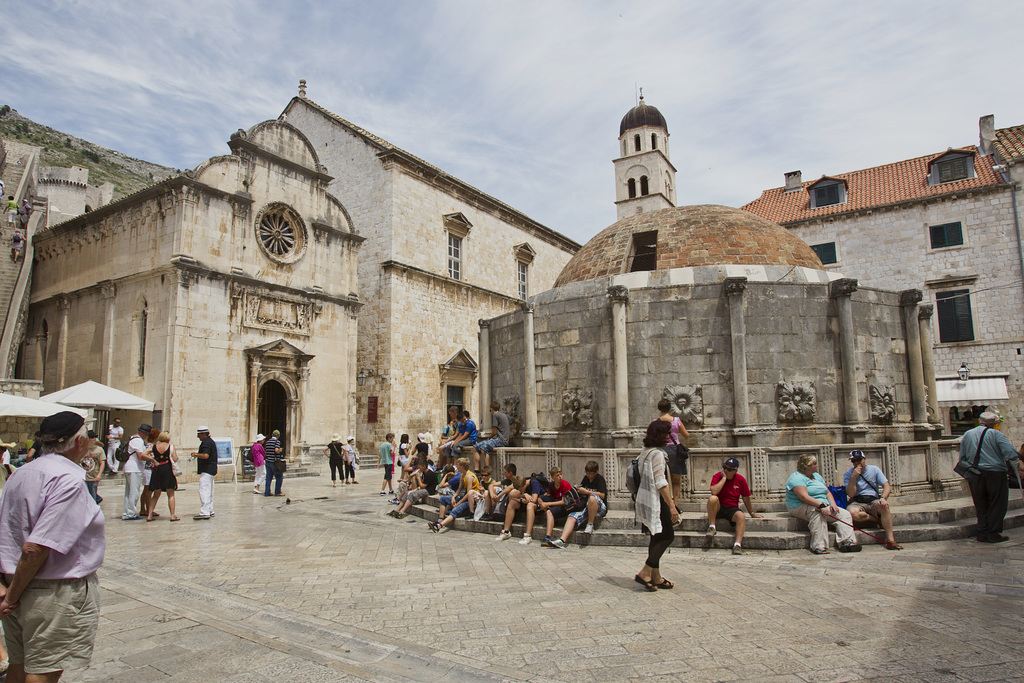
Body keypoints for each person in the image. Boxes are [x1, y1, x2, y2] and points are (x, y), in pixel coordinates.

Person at [0, 410, 105, 680]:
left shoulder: (20, 473)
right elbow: (35, 547)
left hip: (15, 581)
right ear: (79, 442)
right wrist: (11, 596)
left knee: (19, 664)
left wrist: (9, 589)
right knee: (42, 671)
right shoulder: (67, 480)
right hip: (52, 591)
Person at [958, 412, 1023, 543]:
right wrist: (1017, 468)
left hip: (974, 473)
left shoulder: (968, 434)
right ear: (993, 423)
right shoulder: (996, 434)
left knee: (980, 503)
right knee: (997, 502)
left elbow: (962, 457)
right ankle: (993, 533)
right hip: (995, 473)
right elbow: (1010, 453)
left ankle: (982, 532)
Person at [633, 420, 679, 591]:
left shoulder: (645, 452)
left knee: (656, 536)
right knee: (667, 536)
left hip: (644, 499)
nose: (669, 436)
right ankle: (645, 571)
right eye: (666, 433)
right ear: (659, 435)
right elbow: (661, 483)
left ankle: (656, 576)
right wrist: (672, 506)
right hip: (656, 500)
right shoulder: (658, 455)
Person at [786, 453, 859, 554]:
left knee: (844, 514)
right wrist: (820, 505)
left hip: (822, 504)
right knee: (817, 513)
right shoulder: (796, 478)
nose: (817, 465)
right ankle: (818, 545)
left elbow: (827, 491)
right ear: (807, 466)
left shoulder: (817, 476)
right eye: (814, 464)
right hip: (799, 505)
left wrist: (833, 504)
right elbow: (804, 497)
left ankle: (847, 542)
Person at [545, 460, 608, 548]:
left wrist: (586, 491)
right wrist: (578, 488)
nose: (588, 476)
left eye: (591, 474)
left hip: (599, 507)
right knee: (571, 516)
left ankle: (590, 524)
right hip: (586, 505)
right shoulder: (586, 478)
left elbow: (602, 495)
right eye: (587, 473)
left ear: (596, 472)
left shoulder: (600, 479)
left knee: (592, 497)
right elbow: (581, 488)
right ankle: (562, 540)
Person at [706, 457, 762, 555]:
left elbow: (746, 498)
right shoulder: (717, 476)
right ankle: (712, 526)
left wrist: (752, 513)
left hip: (731, 508)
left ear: (735, 470)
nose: (726, 471)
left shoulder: (740, 480)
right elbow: (714, 491)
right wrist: (723, 478)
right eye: (725, 468)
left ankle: (737, 545)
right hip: (719, 506)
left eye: (730, 469)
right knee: (712, 498)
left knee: (741, 516)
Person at [843, 450, 899, 549]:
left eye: (859, 460)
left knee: (884, 506)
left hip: (873, 499)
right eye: (854, 461)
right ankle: (877, 520)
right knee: (851, 512)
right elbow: (851, 493)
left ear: (864, 459)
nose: (857, 463)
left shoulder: (874, 469)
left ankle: (891, 540)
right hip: (858, 501)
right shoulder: (848, 474)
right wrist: (853, 478)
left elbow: (887, 486)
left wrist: (883, 498)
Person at [428, 457, 482, 533]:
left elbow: (468, 494)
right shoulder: (462, 475)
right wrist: (453, 497)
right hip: (462, 497)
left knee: (455, 510)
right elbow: (459, 489)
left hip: (471, 500)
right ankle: (440, 519)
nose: (456, 467)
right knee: (443, 499)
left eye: (458, 465)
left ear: (462, 466)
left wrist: (458, 504)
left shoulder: (469, 477)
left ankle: (439, 526)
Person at [657, 398, 691, 511]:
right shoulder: (676, 420)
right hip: (675, 451)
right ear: (670, 408)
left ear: (659, 408)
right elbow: (686, 435)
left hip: (662, 451)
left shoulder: (655, 422)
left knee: (664, 480)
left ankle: (667, 505)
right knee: (676, 481)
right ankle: (675, 505)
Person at [122, 423, 157, 521]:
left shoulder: (133, 438)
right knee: (134, 491)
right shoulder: (138, 441)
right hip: (134, 468)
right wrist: (152, 459)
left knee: (129, 492)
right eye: (147, 434)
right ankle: (131, 513)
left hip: (130, 468)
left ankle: (127, 512)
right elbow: (140, 456)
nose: (147, 437)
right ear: (143, 433)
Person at [146, 432, 179, 522]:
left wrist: (152, 459)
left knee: (156, 494)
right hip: (167, 469)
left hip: (157, 469)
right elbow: (175, 458)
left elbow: (143, 454)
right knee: (170, 493)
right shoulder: (171, 446)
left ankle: (149, 515)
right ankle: (172, 515)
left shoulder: (154, 446)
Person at [473, 401, 510, 471]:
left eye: (490, 410)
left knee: (483, 448)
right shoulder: (504, 415)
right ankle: (476, 470)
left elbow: (494, 431)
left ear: (492, 409)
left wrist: (489, 437)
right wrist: (516, 430)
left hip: (501, 440)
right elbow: (516, 421)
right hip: (502, 439)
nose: (490, 412)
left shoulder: (495, 416)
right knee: (475, 447)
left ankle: (487, 469)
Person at [192, 426, 218, 520]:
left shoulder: (206, 443)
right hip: (211, 469)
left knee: (204, 490)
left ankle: (205, 512)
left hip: (207, 469)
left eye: (199, 435)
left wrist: (196, 454)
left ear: (203, 434)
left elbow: (206, 455)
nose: (198, 437)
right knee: (209, 490)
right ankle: (210, 510)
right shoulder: (211, 441)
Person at [81, 430, 106, 504]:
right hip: (82, 476)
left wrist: (99, 475)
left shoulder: (99, 450)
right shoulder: (81, 449)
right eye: (92, 437)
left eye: (95, 437)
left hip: (93, 477)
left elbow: (102, 462)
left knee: (92, 498)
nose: (94, 439)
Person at [263, 430, 284, 497]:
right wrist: (280, 450)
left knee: (268, 478)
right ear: (278, 436)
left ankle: (267, 492)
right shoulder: (277, 442)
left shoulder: (268, 442)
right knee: (279, 477)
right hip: (274, 462)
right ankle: (277, 491)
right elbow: (276, 450)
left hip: (268, 461)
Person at [379, 432, 396, 497]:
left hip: (385, 461)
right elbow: (391, 453)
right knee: (387, 476)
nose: (392, 440)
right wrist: (394, 447)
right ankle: (382, 490)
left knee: (389, 476)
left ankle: (391, 489)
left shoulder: (382, 444)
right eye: (392, 438)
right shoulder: (389, 445)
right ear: (389, 438)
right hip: (389, 461)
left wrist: (379, 462)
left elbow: (380, 453)